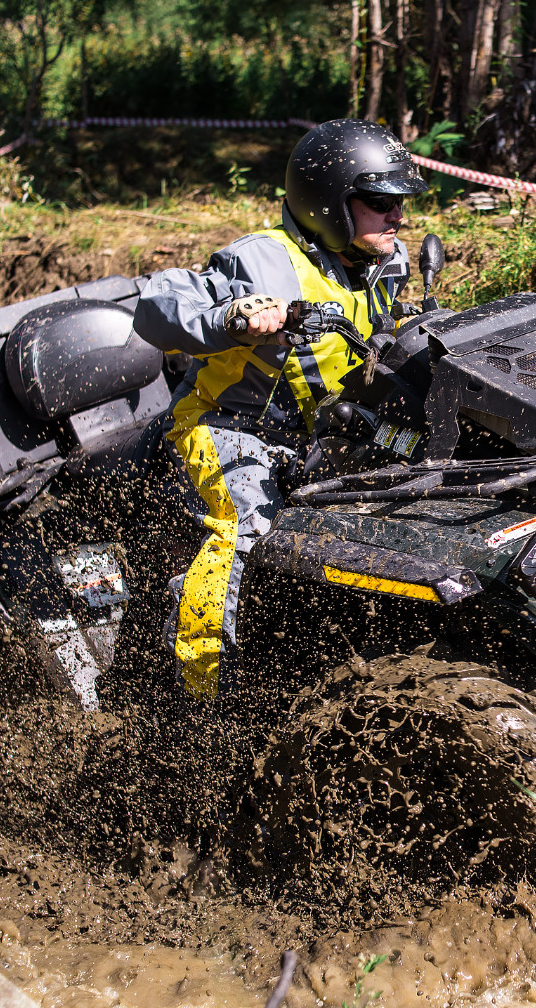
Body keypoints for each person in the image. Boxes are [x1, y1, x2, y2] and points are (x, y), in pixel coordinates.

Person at [132, 118, 427, 701]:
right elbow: (158, 304)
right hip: (224, 427)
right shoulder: (260, 261)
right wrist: (231, 316)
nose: (397, 215)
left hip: (324, 429)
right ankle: (199, 694)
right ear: (330, 204)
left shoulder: (384, 262)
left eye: (401, 201)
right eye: (380, 202)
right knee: (243, 525)